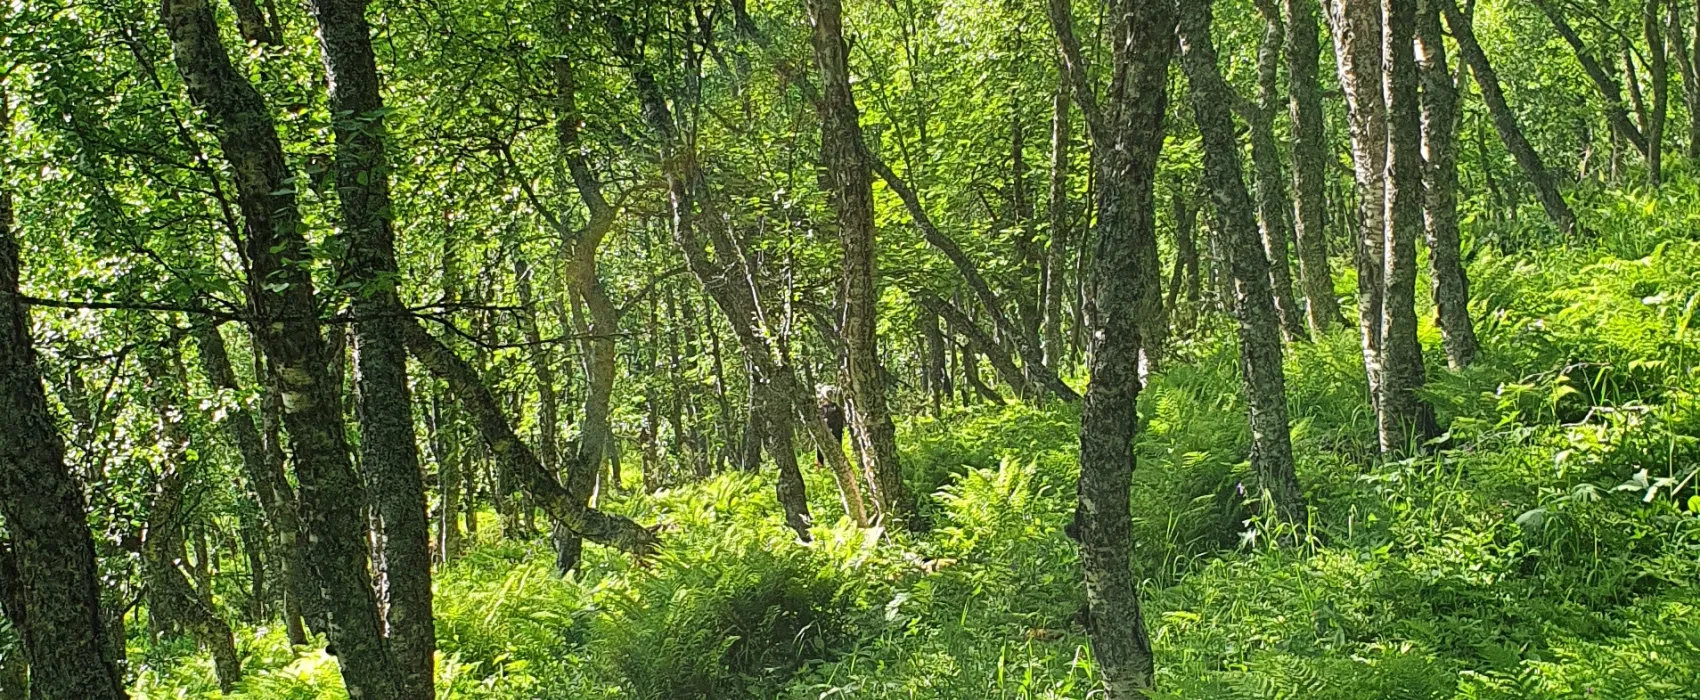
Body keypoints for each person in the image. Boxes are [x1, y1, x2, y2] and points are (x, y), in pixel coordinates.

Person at [815, 385, 845, 468]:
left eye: (831, 393)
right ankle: (820, 466)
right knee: (821, 448)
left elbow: (844, 418)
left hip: (837, 433)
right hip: (825, 433)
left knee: (838, 450)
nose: (830, 395)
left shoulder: (837, 408)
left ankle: (840, 466)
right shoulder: (821, 409)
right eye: (828, 393)